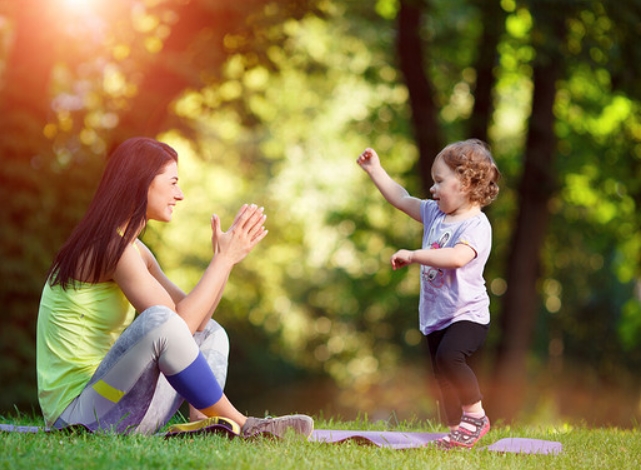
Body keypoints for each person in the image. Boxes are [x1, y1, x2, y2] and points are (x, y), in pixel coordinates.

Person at [36, 137, 314, 437]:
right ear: (140, 183)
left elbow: (196, 323)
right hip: (77, 417)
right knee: (161, 320)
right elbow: (173, 325)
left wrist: (226, 261)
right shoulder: (109, 247)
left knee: (211, 333)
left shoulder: (135, 250)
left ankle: (208, 424)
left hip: (114, 409)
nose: (179, 195)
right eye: (172, 183)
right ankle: (245, 426)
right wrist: (221, 260)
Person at [356, 139, 500, 449]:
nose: (432, 189)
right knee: (441, 378)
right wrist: (375, 170)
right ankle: (456, 432)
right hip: (437, 316)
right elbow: (401, 198)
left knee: (451, 357)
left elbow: (457, 257)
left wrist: (414, 254)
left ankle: (475, 417)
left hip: (467, 314)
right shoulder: (435, 214)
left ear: (465, 183)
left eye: (439, 181)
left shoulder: (476, 225)